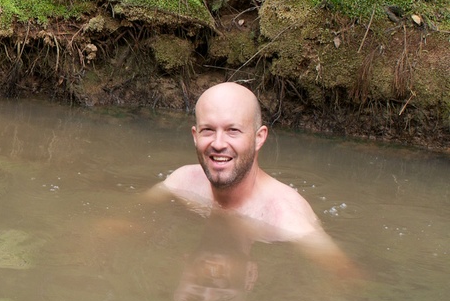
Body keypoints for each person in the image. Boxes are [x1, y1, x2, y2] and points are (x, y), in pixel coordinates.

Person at [151, 81, 356, 277]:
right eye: (208, 130)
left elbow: (344, 275)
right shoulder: (183, 182)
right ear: (195, 136)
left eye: (233, 130)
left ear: (259, 138)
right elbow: (128, 220)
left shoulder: (285, 219)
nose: (219, 143)